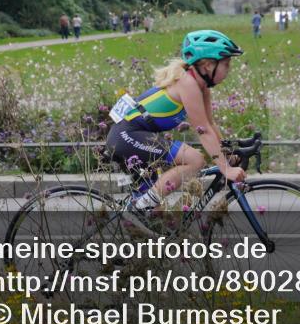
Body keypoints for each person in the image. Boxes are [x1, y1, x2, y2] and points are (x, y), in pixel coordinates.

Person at [105, 30, 247, 215]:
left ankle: (141, 218)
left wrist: (228, 155)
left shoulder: (202, 87)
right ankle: (141, 206)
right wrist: (225, 169)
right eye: (226, 64)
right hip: (126, 135)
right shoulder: (187, 83)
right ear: (207, 65)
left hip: (135, 135)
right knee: (195, 159)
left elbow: (210, 125)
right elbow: (202, 131)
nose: (229, 70)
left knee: (157, 220)